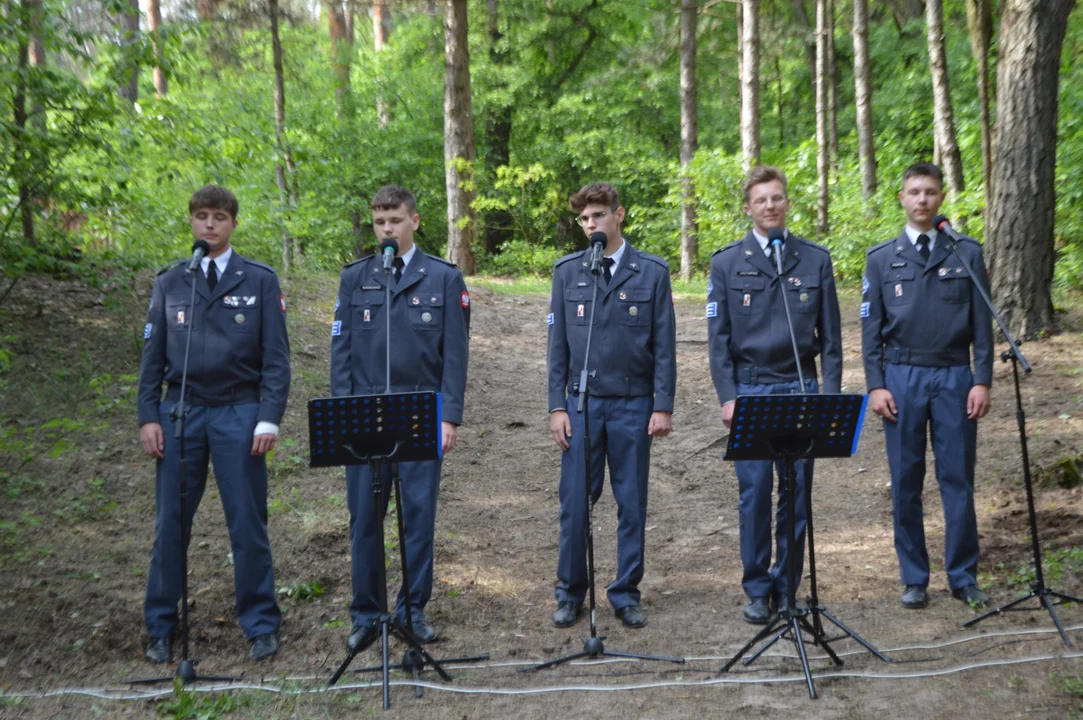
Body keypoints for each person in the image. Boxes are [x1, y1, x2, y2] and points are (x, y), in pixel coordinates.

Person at [138, 184, 291, 663]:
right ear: (191, 222)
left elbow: (277, 360)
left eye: (219, 217)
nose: (209, 225)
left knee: (247, 524)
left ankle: (261, 624)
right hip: (181, 412)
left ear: (233, 223)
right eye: (201, 216)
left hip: (239, 413)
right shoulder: (171, 281)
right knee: (171, 526)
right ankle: (161, 626)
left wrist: (268, 418)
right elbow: (151, 359)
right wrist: (148, 416)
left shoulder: (259, 280)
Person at [329, 185, 470, 651]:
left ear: (414, 221)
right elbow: (342, 352)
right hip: (364, 415)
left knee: (418, 516)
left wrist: (448, 416)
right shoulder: (356, 278)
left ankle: (413, 609)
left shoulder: (444, 278)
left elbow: (455, 355)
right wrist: (343, 414)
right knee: (364, 519)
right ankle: (367, 614)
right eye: (379, 223)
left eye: (394, 221)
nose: (386, 230)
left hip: (419, 413)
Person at [706, 165, 842, 624]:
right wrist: (728, 396)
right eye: (762, 200)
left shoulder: (814, 260)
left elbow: (833, 342)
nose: (770, 206)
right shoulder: (727, 263)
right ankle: (757, 588)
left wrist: (829, 398)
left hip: (801, 389)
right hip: (752, 390)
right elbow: (718, 340)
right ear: (748, 208)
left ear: (787, 204)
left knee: (797, 493)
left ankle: (789, 586)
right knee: (756, 492)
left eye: (777, 198)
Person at [861, 162, 993, 610]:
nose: (922, 200)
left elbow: (983, 327)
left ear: (941, 198)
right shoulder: (881, 259)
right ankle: (914, 576)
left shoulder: (966, 253)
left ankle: (962, 575)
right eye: (914, 192)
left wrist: (983, 381)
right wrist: (876, 386)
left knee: (957, 479)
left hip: (955, 377)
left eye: (931, 192)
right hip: (902, 379)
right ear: (901, 198)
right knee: (906, 480)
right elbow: (870, 330)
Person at [546, 182, 677, 630]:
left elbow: (664, 347)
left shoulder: (652, 273)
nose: (590, 225)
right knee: (575, 503)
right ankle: (570, 592)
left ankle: (625, 592)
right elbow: (557, 347)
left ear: (619, 215)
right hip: (582, 405)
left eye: (598, 216)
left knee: (632, 502)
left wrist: (662, 405)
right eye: (584, 219)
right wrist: (556, 406)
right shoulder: (568, 272)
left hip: (633, 404)